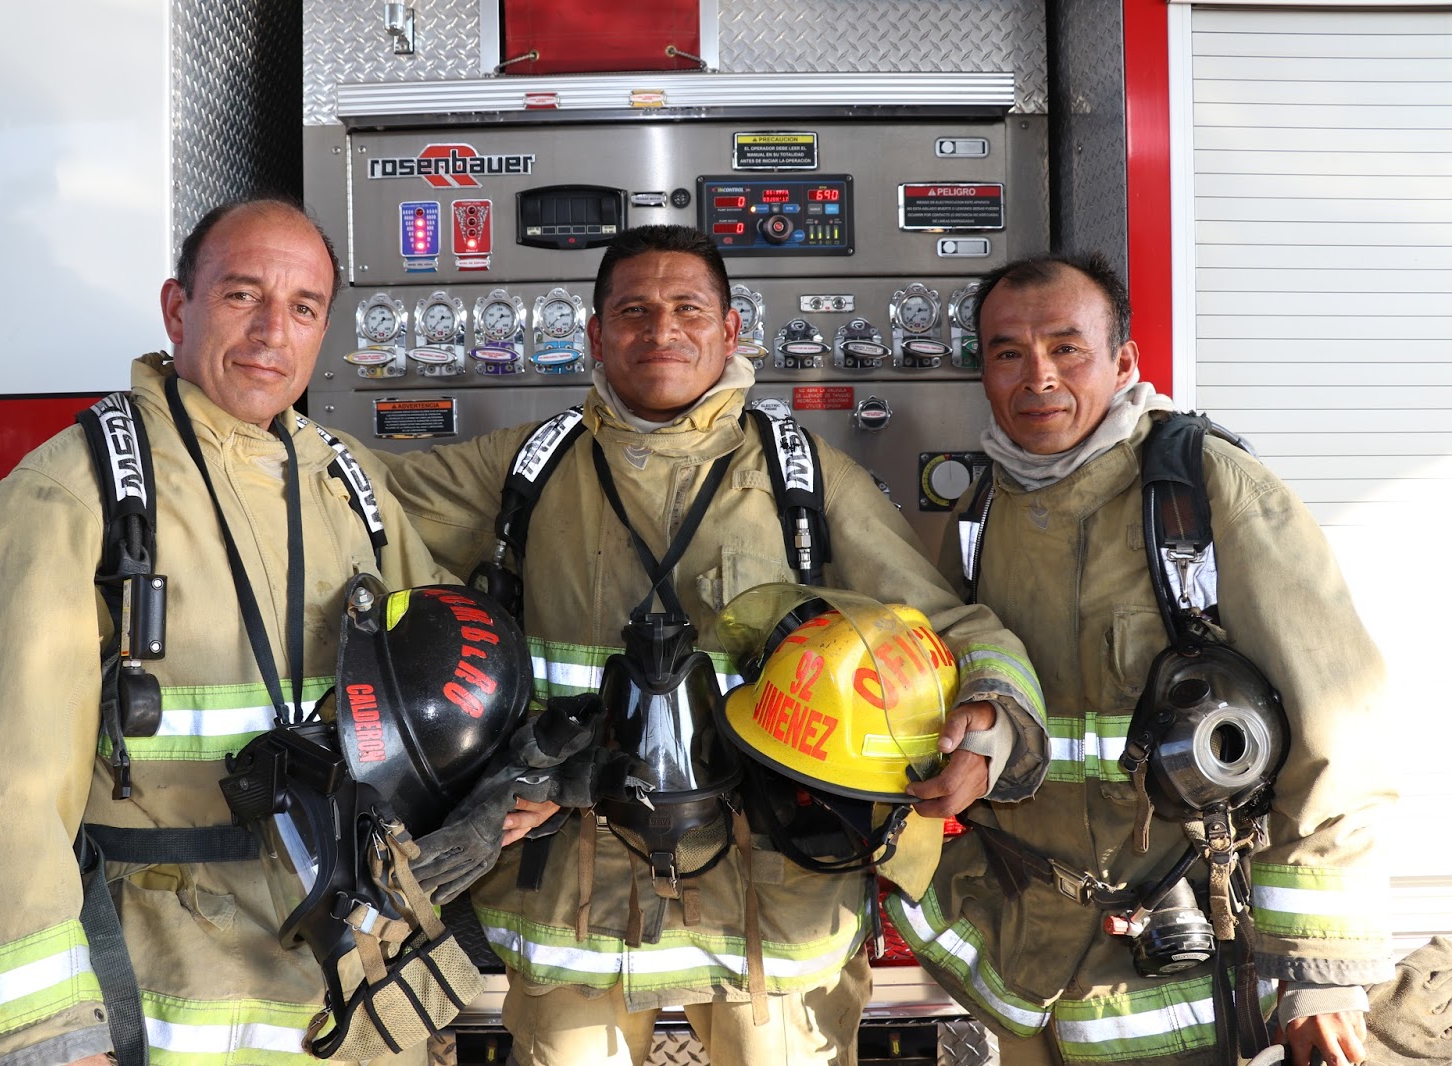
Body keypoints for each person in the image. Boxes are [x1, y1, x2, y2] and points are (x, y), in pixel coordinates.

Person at [377, 224, 1048, 1066]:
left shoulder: (804, 476)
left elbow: (945, 622)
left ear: (732, 332)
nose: (661, 331)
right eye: (633, 311)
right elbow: (351, 496)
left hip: (771, 899)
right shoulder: (527, 466)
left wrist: (992, 723)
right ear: (594, 335)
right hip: (573, 902)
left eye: (687, 308)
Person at [0, 196, 462, 1066]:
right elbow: (0, 790)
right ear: (179, 307)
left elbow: (431, 680)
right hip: (172, 987)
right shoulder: (72, 494)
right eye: (242, 296)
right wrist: (48, 1035)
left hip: (348, 982)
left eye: (302, 308)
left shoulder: (348, 483)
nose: (270, 334)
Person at [887, 252, 1395, 1066]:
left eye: (1067, 348)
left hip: (1191, 959)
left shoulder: (1208, 490)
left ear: (1125, 361)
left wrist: (1318, 973)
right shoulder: (979, 515)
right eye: (1007, 353)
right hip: (1033, 959)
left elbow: (1338, 726)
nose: (1038, 377)